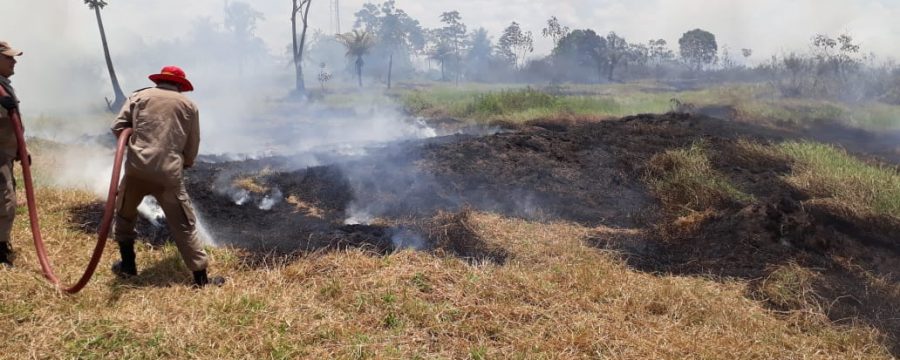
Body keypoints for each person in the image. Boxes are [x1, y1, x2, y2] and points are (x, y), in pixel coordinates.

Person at [111, 65, 224, 287]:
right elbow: (193, 143)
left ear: (160, 81)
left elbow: (118, 127)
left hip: (136, 170)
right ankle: (201, 280)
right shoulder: (189, 105)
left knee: (124, 215)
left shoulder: (139, 96)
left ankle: (128, 266)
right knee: (184, 224)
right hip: (168, 174)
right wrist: (186, 162)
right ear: (180, 86)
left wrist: (137, 141)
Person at [0, 41, 24, 268]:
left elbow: (12, 124)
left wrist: (21, 151)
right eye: (9, 58)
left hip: (5, 155)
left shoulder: (4, 85)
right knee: (5, 202)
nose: (14, 61)